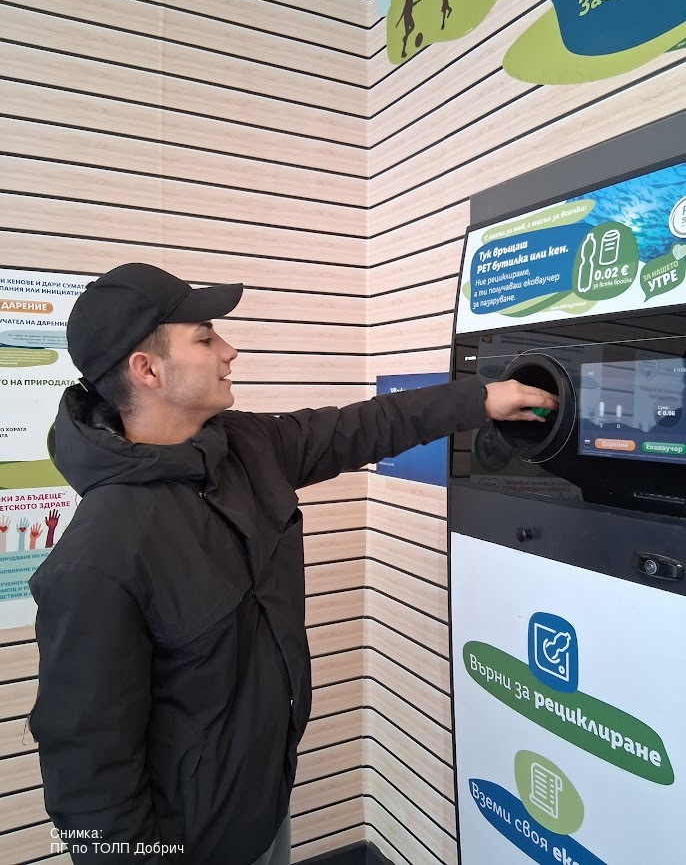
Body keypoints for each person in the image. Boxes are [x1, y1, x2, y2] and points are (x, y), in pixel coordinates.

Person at [28, 264, 558, 865]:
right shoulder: (96, 561)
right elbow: (90, 782)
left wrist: (481, 399)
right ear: (147, 370)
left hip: (265, 803)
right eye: (205, 337)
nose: (229, 351)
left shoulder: (242, 448)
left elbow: (364, 426)